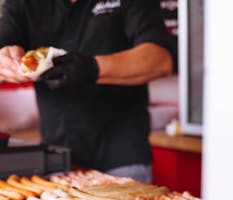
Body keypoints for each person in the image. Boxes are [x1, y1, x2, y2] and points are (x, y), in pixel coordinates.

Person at [0, 0, 177, 182]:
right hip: (56, 158)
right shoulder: (21, 4)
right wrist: (5, 63)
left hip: (122, 156)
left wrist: (93, 68)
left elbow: (161, 60)